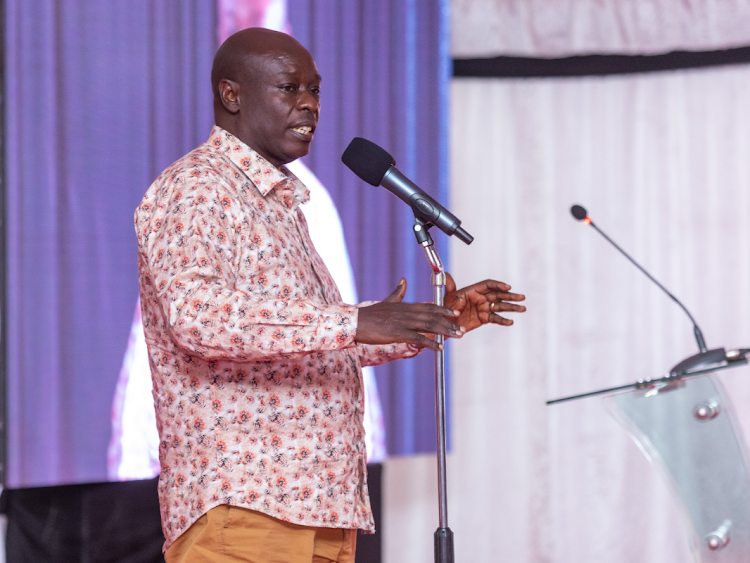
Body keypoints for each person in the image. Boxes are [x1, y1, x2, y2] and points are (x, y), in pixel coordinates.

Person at [135, 27, 526, 563]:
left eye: (315, 91)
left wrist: (430, 321)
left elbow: (300, 345)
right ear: (232, 95)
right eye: (289, 88)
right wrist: (356, 321)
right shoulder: (198, 187)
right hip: (248, 506)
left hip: (319, 507)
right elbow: (199, 318)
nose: (308, 105)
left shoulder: (279, 201)